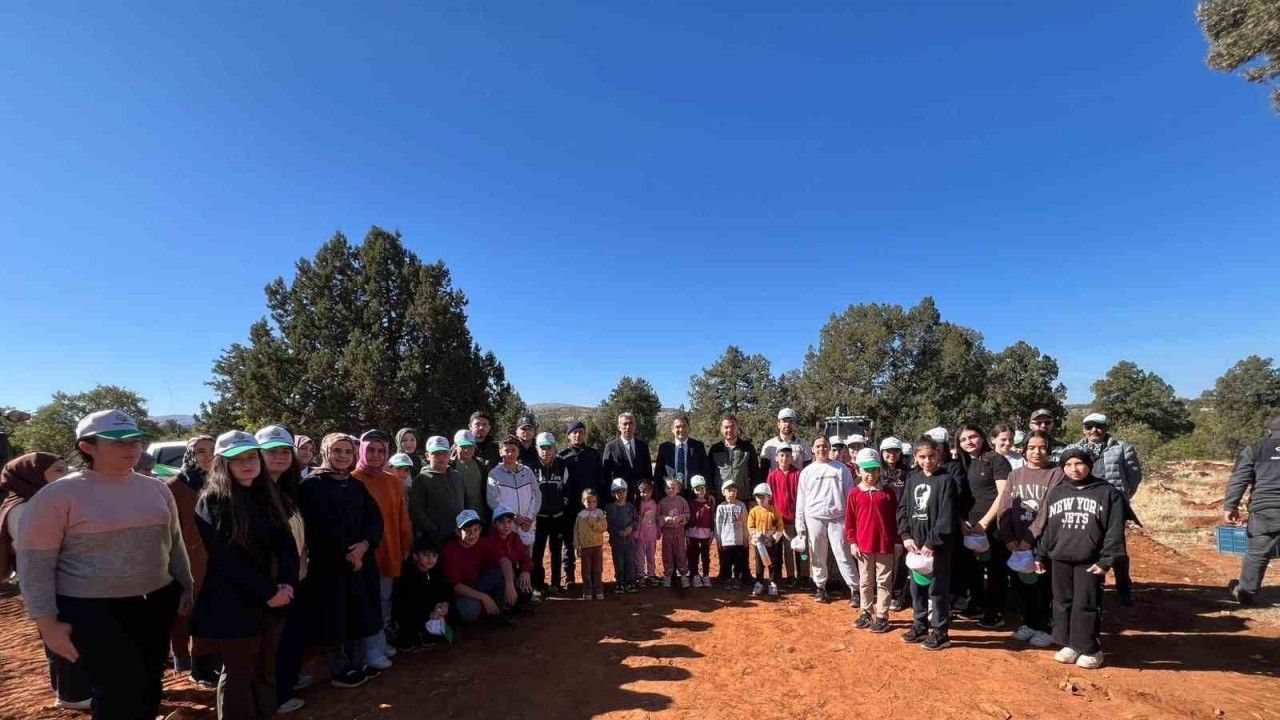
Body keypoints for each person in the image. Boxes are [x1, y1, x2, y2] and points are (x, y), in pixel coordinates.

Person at [16, 409, 193, 720]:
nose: (131, 447)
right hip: (92, 611)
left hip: (155, 602)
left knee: (150, 682)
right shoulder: (57, 497)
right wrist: (47, 623)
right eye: (118, 441)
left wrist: (186, 585)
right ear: (87, 447)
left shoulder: (156, 489)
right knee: (116, 691)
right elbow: (35, 566)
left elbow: (174, 542)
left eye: (135, 440)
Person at [192, 431, 298, 720]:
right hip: (234, 603)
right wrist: (269, 592)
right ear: (222, 463)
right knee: (239, 675)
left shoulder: (267, 496)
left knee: (265, 670)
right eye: (237, 459)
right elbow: (226, 559)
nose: (247, 464)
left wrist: (287, 583)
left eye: (252, 457)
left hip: (273, 599)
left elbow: (286, 545)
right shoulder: (214, 501)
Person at [2, 453, 90, 710]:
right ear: (31, 476)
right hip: (49, 582)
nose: (66, 476)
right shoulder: (25, 509)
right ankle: (73, 695)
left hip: (60, 578)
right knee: (63, 636)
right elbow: (41, 554)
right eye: (58, 471)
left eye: (65, 470)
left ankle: (73, 690)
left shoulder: (40, 502)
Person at [295, 433, 383, 689]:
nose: (343, 456)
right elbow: (316, 527)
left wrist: (364, 546)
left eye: (347, 451)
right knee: (335, 618)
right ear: (326, 452)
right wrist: (348, 554)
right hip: (330, 566)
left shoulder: (355, 484)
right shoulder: (311, 486)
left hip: (360, 562)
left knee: (358, 614)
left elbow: (374, 519)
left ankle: (358, 663)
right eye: (337, 451)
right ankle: (339, 669)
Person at [1036, 448, 1128, 669]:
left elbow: (1114, 530)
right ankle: (1069, 644)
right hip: (1060, 557)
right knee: (1062, 602)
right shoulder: (1057, 492)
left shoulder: (1107, 493)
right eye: (1068, 465)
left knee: (1085, 604)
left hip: (1089, 559)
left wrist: (1106, 560)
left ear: (1090, 465)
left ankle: (1090, 648)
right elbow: (1048, 527)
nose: (1073, 469)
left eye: (1079, 463)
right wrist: (1041, 554)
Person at [253, 425, 311, 715]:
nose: (279, 456)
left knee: (291, 634)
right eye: (271, 451)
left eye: (285, 451)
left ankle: (288, 680)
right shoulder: (254, 493)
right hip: (272, 581)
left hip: (293, 576)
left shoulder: (286, 490)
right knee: (273, 641)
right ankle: (276, 694)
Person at [352, 430, 413, 671]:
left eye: (380, 450)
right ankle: (370, 651)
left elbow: (402, 518)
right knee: (369, 601)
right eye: (370, 450)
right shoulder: (353, 480)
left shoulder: (393, 482)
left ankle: (380, 641)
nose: (376, 455)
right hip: (365, 553)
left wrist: (405, 544)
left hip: (390, 548)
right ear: (361, 451)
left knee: (385, 598)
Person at [1069, 412, 1143, 606]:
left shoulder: (1122, 448)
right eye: (1089, 426)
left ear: (1106, 428)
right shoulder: (1076, 449)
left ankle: (1124, 588)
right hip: (1086, 504)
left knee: (1117, 546)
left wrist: (1120, 497)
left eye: (1099, 426)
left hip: (1113, 505)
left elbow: (1134, 476)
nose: (1094, 430)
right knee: (1089, 545)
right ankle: (1093, 587)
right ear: (1083, 429)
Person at [999, 431, 1063, 649]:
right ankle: (1028, 622)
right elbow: (1004, 508)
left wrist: (1030, 537)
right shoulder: (1015, 475)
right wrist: (1008, 538)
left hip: (1042, 542)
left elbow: (1048, 509)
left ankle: (1045, 626)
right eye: (1032, 447)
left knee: (1043, 586)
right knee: (1021, 583)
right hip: (1017, 543)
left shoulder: (1056, 473)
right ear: (1024, 450)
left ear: (1049, 449)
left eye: (1042, 447)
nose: (1037, 452)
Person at [167, 434, 218, 683]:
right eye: (200, 451)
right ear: (189, 455)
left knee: (213, 613)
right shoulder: (173, 488)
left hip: (217, 560)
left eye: (212, 450)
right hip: (188, 562)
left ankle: (210, 662)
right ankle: (195, 666)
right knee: (188, 614)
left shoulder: (220, 483)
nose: (208, 456)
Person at [898, 436, 956, 651]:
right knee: (917, 588)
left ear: (938, 455)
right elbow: (903, 509)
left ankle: (940, 632)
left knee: (937, 590)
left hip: (937, 547)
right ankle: (920, 625)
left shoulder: (946, 480)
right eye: (922, 457)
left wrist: (932, 542)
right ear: (915, 457)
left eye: (931, 456)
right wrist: (906, 535)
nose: (927, 461)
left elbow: (947, 516)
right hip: (915, 546)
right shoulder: (912, 478)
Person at [955, 424, 1014, 629]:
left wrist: (985, 522)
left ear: (982, 437)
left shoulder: (996, 460)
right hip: (968, 526)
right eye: (963, 439)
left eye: (972, 437)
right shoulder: (961, 463)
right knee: (972, 569)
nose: (968, 442)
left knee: (995, 569)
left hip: (994, 525)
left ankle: (995, 611)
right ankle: (976, 605)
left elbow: (1004, 494)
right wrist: (961, 521)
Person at [795, 435, 858, 604]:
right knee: (817, 554)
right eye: (818, 446)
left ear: (829, 448)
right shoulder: (807, 472)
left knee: (843, 553)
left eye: (824, 446)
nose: (821, 449)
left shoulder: (841, 469)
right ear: (812, 449)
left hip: (838, 517)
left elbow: (850, 496)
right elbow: (801, 499)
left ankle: (855, 589)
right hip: (814, 517)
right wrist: (800, 524)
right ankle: (820, 587)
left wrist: (852, 520)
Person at [1224, 415, 1280, 606]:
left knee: (1258, 552)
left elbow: (1239, 479)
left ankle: (1246, 591)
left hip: (1267, 510)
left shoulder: (1255, 450)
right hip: (1268, 508)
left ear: (1270, 431)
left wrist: (1230, 506)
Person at [845, 449, 899, 634]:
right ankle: (866, 612)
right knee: (865, 581)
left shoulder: (888, 494)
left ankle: (882, 616)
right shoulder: (854, 494)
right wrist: (853, 542)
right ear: (858, 471)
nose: (871, 474)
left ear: (879, 471)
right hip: (863, 546)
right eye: (866, 470)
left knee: (884, 580)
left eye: (874, 470)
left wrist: (897, 542)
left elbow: (896, 520)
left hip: (885, 545)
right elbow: (850, 522)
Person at [530, 432, 575, 597]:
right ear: (537, 448)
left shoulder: (561, 464)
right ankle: (538, 585)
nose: (546, 451)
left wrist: (563, 503)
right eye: (542, 448)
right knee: (537, 553)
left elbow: (568, 487)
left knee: (556, 552)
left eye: (549, 448)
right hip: (539, 518)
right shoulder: (531, 467)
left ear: (554, 448)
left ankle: (556, 584)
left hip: (557, 517)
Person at [441, 509, 506, 622]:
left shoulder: (482, 543)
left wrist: (510, 585)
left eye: (476, 530)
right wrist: (483, 597)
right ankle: (488, 612)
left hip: (477, 586)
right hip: (460, 594)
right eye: (467, 531)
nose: (472, 534)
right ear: (457, 532)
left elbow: (504, 561)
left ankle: (496, 610)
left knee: (498, 574)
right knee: (470, 609)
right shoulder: (450, 550)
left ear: (480, 530)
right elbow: (456, 587)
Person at [390, 539, 452, 651]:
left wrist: (444, 605)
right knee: (408, 632)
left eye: (434, 555)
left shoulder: (436, 572)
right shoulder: (407, 574)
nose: (430, 559)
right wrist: (429, 614)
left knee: (450, 632)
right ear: (415, 556)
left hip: (432, 613)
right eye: (425, 555)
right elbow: (406, 605)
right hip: (412, 616)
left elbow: (444, 591)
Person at [486, 436, 540, 549]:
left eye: (513, 450)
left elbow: (536, 495)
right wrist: (513, 517)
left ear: (518, 452)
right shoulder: (494, 474)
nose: (510, 454)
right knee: (506, 557)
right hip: (505, 527)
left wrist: (530, 517)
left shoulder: (527, 471)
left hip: (527, 525)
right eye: (506, 450)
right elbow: (493, 500)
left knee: (526, 558)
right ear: (500, 452)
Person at [411, 436, 465, 546]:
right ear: (427, 456)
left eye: (444, 453)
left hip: (458, 536)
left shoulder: (457, 476)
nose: (441, 457)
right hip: (434, 539)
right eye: (436, 453)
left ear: (449, 454)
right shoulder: (421, 479)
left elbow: (464, 501)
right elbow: (417, 512)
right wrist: (433, 531)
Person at [766, 445, 807, 589]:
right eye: (782, 456)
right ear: (776, 458)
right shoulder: (772, 475)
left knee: (803, 549)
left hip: (798, 519)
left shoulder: (798, 474)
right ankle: (790, 576)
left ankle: (804, 575)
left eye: (788, 456)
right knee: (788, 550)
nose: (784, 459)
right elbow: (769, 498)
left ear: (792, 458)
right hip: (781, 520)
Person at [483, 505, 536, 614]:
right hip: (495, 578)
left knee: (530, 578)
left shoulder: (514, 537)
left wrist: (525, 572)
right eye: (502, 522)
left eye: (509, 522)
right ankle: (503, 609)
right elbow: (504, 562)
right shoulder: (489, 540)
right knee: (500, 579)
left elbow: (525, 558)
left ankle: (515, 604)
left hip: (509, 575)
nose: (506, 525)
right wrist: (510, 585)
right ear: (494, 524)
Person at [878, 438, 910, 610]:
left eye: (895, 451)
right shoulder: (877, 472)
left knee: (900, 559)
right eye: (888, 451)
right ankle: (882, 593)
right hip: (882, 522)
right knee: (883, 558)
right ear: (882, 453)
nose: (891, 454)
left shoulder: (908, 473)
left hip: (902, 521)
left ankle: (897, 595)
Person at [602, 412, 653, 502]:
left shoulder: (643, 446)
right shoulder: (611, 447)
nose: (628, 427)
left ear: (635, 426)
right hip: (620, 498)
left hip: (641, 497)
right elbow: (606, 475)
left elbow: (648, 472)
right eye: (625, 424)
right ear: (619, 427)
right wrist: (610, 498)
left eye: (630, 423)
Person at [709, 415, 760, 503]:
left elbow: (755, 473)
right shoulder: (715, 449)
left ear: (737, 428)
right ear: (721, 429)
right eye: (726, 427)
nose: (729, 430)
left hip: (743, 497)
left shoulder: (747, 448)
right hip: (721, 498)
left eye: (732, 426)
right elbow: (710, 473)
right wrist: (710, 492)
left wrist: (754, 495)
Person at [654, 415, 709, 497]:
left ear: (689, 428)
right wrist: (657, 494)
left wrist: (708, 492)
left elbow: (705, 470)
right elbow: (658, 472)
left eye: (684, 426)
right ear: (672, 429)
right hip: (670, 495)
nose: (681, 429)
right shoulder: (664, 448)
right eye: (678, 427)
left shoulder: (698, 446)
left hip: (693, 494)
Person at [747, 483, 785, 598]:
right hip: (758, 542)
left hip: (770, 542)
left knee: (772, 563)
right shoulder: (753, 511)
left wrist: (773, 539)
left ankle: (772, 582)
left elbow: (780, 527)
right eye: (758, 497)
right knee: (759, 563)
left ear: (769, 497)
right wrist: (756, 535)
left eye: (763, 496)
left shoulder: (774, 511)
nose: (761, 499)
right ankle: (759, 582)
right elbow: (750, 526)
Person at [560, 420, 606, 504]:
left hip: (591, 502)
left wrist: (601, 500)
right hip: (571, 503)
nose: (578, 435)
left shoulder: (594, 454)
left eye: (581, 432)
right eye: (575, 432)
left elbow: (600, 479)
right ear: (569, 436)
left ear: (584, 435)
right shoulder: (562, 457)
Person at [450, 430, 490, 526]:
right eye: (463, 447)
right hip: (457, 518)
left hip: (480, 516)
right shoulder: (449, 466)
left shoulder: (482, 465)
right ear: (455, 446)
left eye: (470, 446)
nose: (467, 450)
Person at [715, 480, 750, 589]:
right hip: (726, 541)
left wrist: (745, 537)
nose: (732, 493)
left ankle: (737, 579)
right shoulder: (721, 507)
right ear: (723, 492)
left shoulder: (741, 505)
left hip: (739, 541)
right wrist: (718, 539)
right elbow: (718, 525)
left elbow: (745, 523)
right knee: (726, 562)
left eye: (734, 491)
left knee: (738, 562)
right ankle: (727, 580)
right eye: (729, 491)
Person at [606, 478, 639, 593]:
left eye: (623, 491)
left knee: (630, 561)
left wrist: (631, 528)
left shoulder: (630, 506)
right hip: (617, 541)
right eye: (618, 492)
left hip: (630, 540)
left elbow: (635, 520)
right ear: (613, 493)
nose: (621, 494)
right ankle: (620, 583)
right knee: (618, 562)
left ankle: (631, 582)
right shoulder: (610, 508)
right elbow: (609, 525)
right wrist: (618, 532)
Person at [575, 490, 608, 600]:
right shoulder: (580, 515)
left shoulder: (599, 513)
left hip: (597, 546)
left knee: (597, 569)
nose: (591, 504)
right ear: (583, 501)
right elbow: (576, 532)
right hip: (585, 548)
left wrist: (593, 522)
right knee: (586, 570)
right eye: (588, 501)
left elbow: (604, 527)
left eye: (594, 502)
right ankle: (587, 590)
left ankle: (598, 589)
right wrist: (577, 545)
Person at [658, 477, 691, 587]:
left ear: (678, 489)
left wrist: (681, 518)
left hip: (679, 533)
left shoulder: (682, 501)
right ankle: (668, 575)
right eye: (668, 488)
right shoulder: (662, 502)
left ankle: (683, 575)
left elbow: (687, 514)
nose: (670, 490)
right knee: (667, 554)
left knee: (681, 553)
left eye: (673, 488)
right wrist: (665, 519)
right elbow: (658, 517)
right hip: (667, 533)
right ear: (665, 489)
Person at [760, 407, 813, 473]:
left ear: (795, 424)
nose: (787, 424)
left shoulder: (804, 445)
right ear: (778, 424)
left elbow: (808, 471)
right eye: (784, 421)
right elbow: (763, 472)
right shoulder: (768, 445)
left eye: (791, 421)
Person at [686, 476, 716, 587]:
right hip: (693, 534)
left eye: (702, 489)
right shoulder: (691, 504)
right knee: (693, 555)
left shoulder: (709, 504)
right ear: (693, 490)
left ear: (705, 489)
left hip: (706, 535)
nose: (700, 492)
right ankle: (695, 576)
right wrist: (687, 534)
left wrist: (712, 533)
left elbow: (712, 520)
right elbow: (688, 520)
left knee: (705, 556)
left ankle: (706, 575)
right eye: (697, 489)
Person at [635, 480, 661, 586]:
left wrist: (658, 532)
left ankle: (651, 575)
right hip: (640, 536)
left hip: (652, 536)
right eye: (642, 492)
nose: (644, 494)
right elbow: (637, 521)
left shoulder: (655, 503)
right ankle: (640, 575)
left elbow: (657, 519)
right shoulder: (638, 504)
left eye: (647, 492)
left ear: (652, 492)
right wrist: (636, 534)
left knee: (651, 556)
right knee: (640, 557)